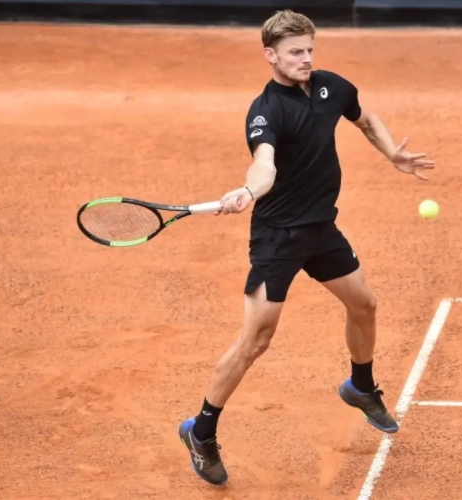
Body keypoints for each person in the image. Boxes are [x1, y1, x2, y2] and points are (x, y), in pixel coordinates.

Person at [178, 9, 435, 486]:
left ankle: (360, 386)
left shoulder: (332, 86)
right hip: (278, 239)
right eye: (296, 52)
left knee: (364, 303)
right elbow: (265, 164)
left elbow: (364, 118)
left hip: (321, 229)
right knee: (257, 340)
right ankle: (202, 429)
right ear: (270, 55)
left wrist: (391, 152)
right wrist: (250, 191)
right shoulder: (265, 111)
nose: (306, 59)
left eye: (310, 50)